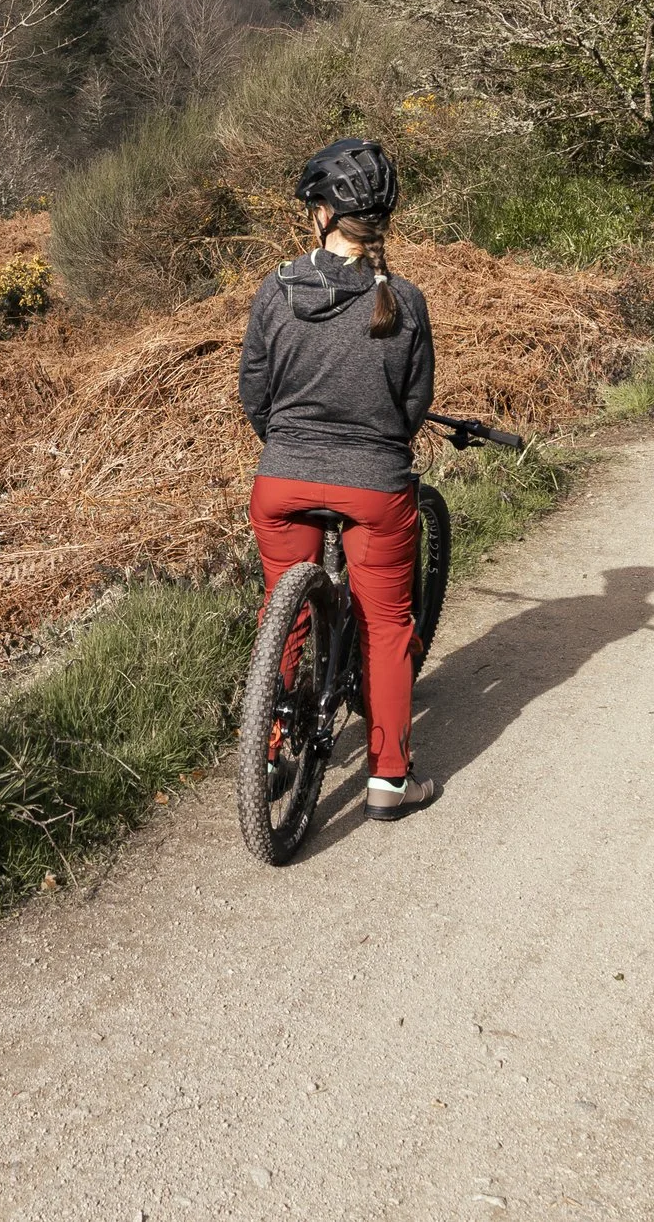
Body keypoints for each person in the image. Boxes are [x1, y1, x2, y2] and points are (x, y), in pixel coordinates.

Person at [237, 137, 440, 822]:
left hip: (282, 481)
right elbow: (413, 406)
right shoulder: (404, 301)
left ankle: (264, 753)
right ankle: (388, 778)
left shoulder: (277, 290)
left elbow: (255, 394)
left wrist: (292, 449)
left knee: (284, 608)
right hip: (376, 485)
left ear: (322, 213)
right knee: (386, 624)